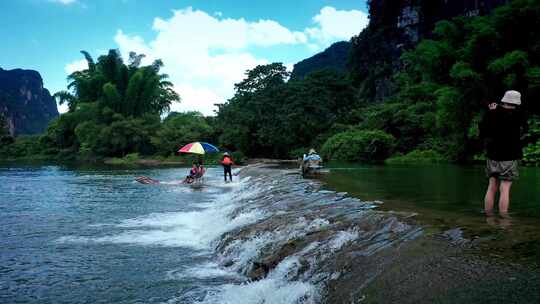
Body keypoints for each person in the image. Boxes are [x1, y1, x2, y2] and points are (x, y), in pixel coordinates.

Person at [480, 90, 526, 217]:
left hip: (492, 155)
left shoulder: (493, 113)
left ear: (504, 100)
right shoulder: (519, 115)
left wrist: (490, 112)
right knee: (505, 188)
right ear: (517, 102)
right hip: (510, 156)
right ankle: (504, 218)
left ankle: (488, 216)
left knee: (491, 186)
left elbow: (483, 131)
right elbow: (523, 130)